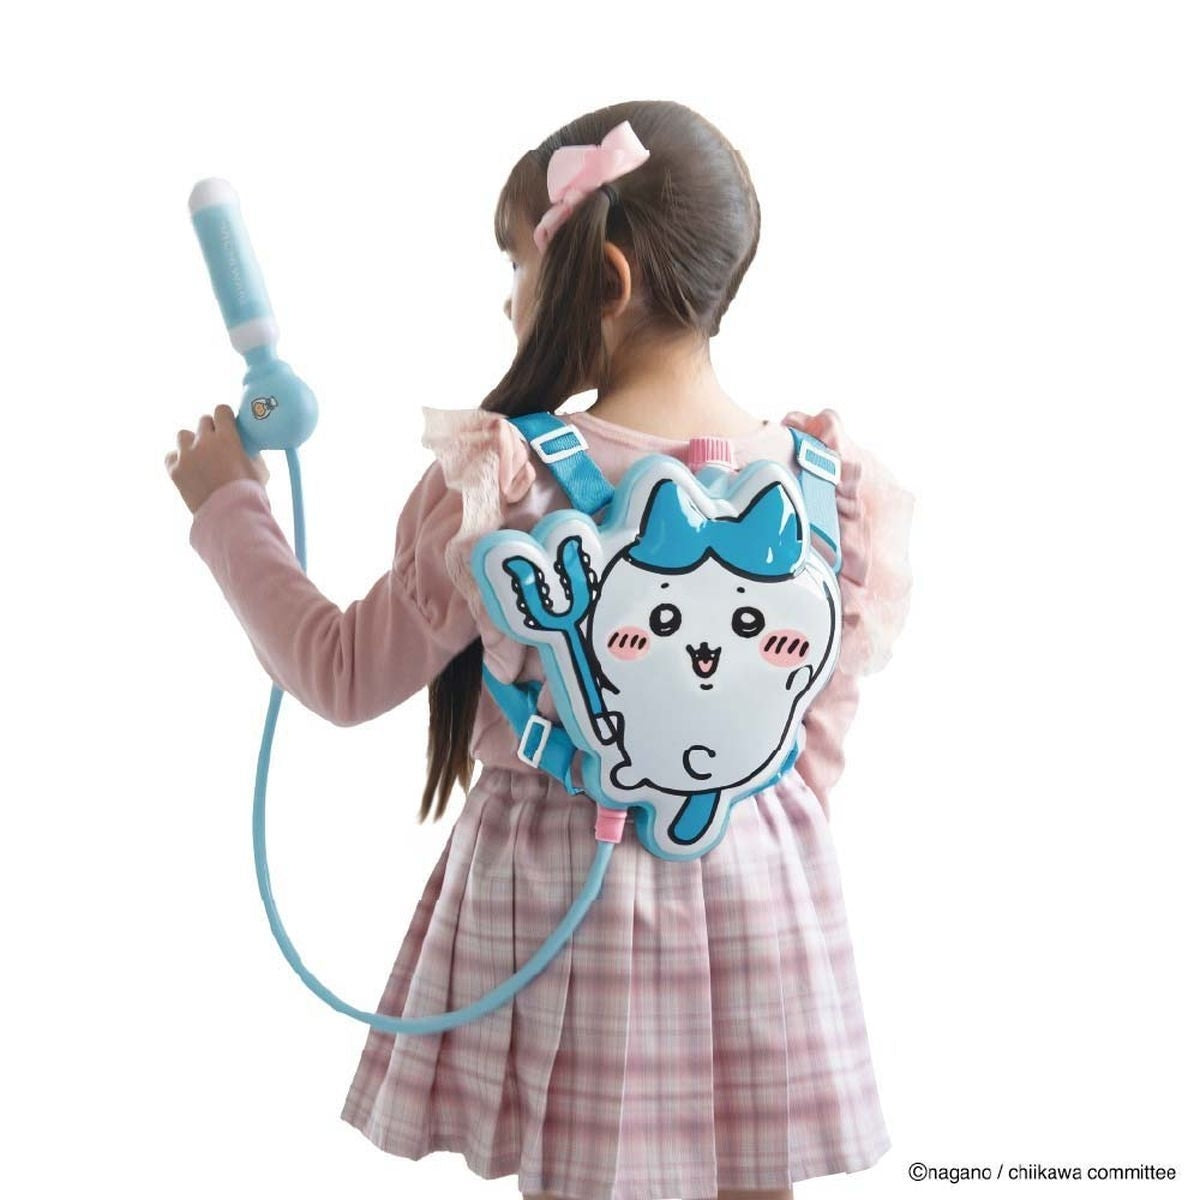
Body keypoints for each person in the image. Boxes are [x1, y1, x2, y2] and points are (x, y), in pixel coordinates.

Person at [165, 100, 916, 1200]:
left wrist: (230, 507)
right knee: (752, 1174)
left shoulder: (507, 483)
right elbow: (813, 742)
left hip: (572, 897)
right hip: (764, 895)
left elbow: (337, 673)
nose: (510, 296)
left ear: (603, 279)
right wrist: (722, 828)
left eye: (519, 262)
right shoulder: (828, 488)